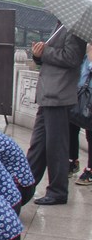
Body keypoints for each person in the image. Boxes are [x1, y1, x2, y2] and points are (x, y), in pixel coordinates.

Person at [25, 22, 85, 205]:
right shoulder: (60, 25)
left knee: (56, 146)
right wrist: (38, 55)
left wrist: (46, 51)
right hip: (47, 94)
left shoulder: (75, 29)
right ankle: (25, 184)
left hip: (59, 94)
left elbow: (72, 58)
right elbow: (48, 57)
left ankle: (58, 190)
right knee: (38, 146)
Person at [68, 43, 92, 184]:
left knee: (90, 133)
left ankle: (90, 169)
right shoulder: (84, 50)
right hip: (78, 95)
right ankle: (72, 161)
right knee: (72, 126)